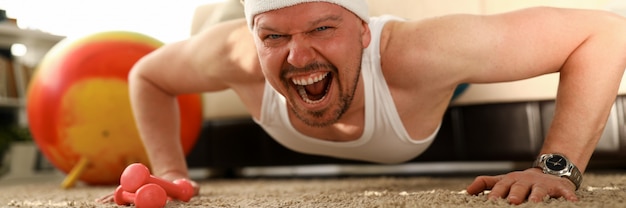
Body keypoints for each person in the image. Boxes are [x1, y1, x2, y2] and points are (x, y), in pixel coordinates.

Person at [107, 0, 626, 205]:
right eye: (273, 37)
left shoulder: (418, 54)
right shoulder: (236, 53)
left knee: (442, 52)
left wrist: (556, 167)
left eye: (323, 28)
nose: (298, 56)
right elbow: (147, 74)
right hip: (235, 30)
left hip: (409, 87)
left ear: (361, 32)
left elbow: (606, 33)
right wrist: (170, 170)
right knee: (218, 22)